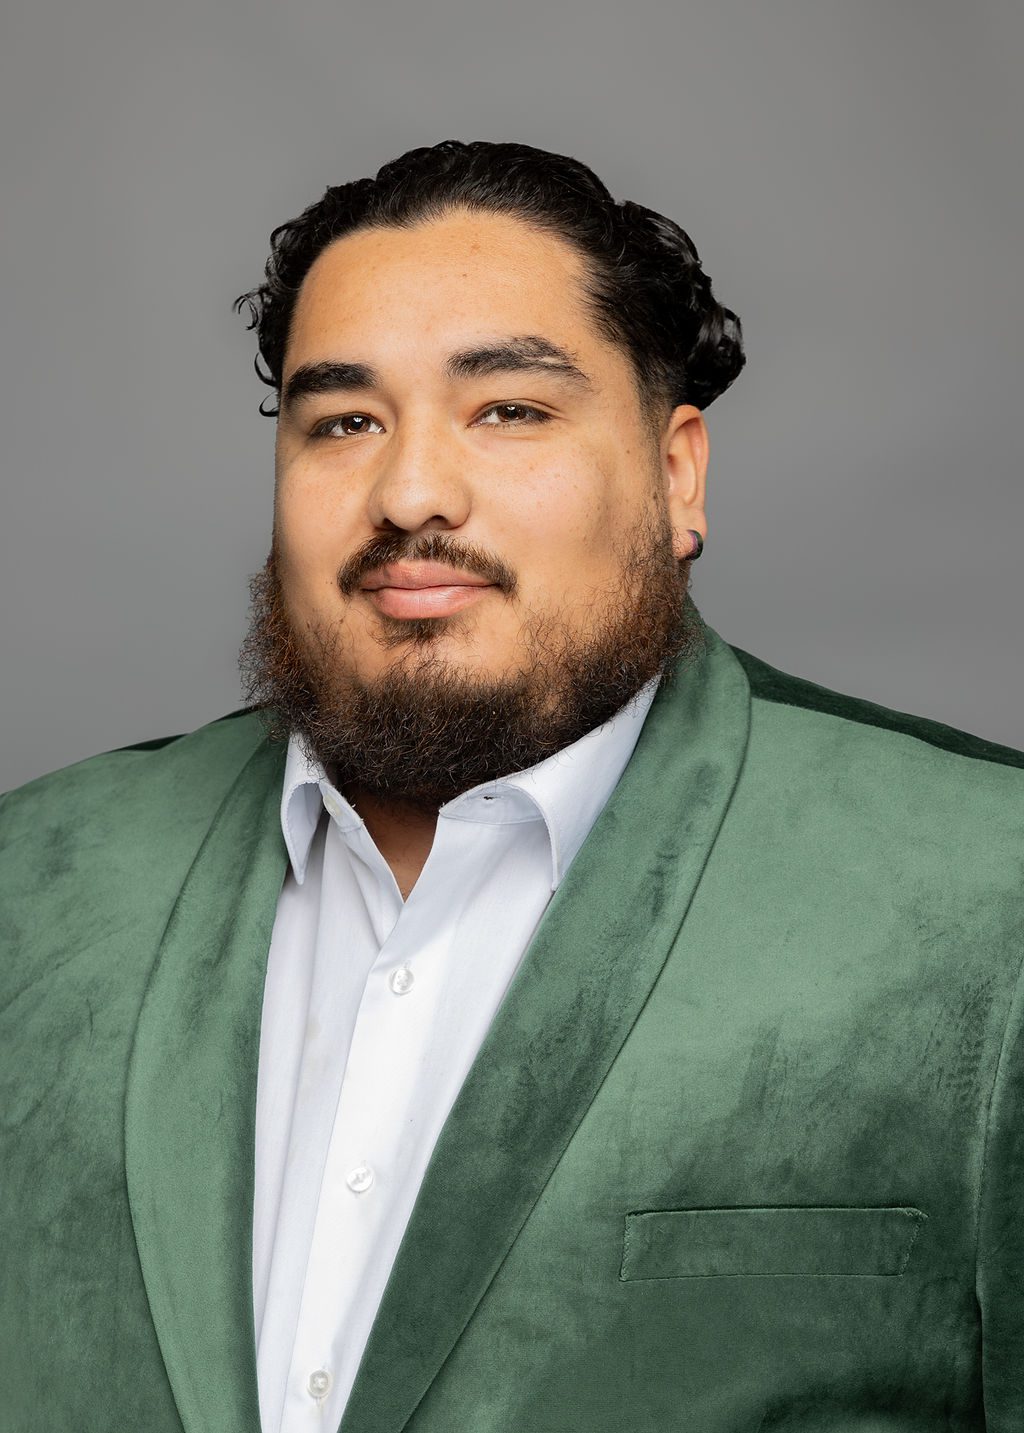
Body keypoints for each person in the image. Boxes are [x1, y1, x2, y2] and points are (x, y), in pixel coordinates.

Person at [2, 139, 1022, 1433]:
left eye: (509, 410)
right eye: (344, 422)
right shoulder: (31, 888)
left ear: (677, 473)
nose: (411, 490)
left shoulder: (991, 899)